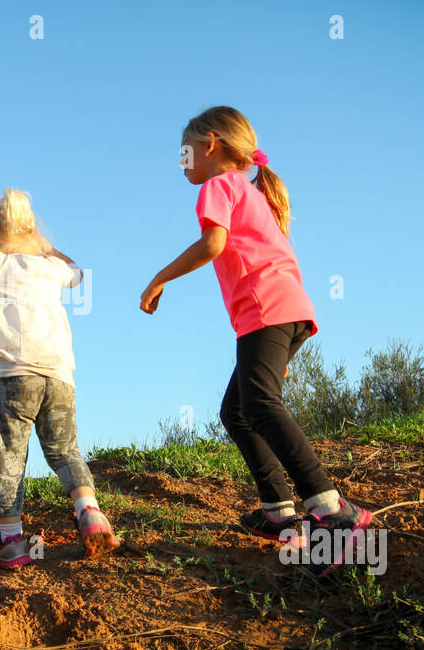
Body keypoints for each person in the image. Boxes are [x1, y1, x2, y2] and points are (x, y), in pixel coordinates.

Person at [139, 106, 371, 577]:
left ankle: (334, 513)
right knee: (238, 411)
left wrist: (159, 279)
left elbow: (213, 245)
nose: (181, 161)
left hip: (267, 311)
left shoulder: (219, 186)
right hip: (286, 311)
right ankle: (278, 512)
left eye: (184, 151)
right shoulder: (251, 190)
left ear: (210, 144)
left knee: (261, 405)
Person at [0, 189, 119, 569]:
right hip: (59, 374)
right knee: (65, 450)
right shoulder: (50, 267)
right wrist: (43, 244)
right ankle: (90, 513)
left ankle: (11, 541)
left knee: (11, 458)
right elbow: (78, 272)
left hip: (14, 374)